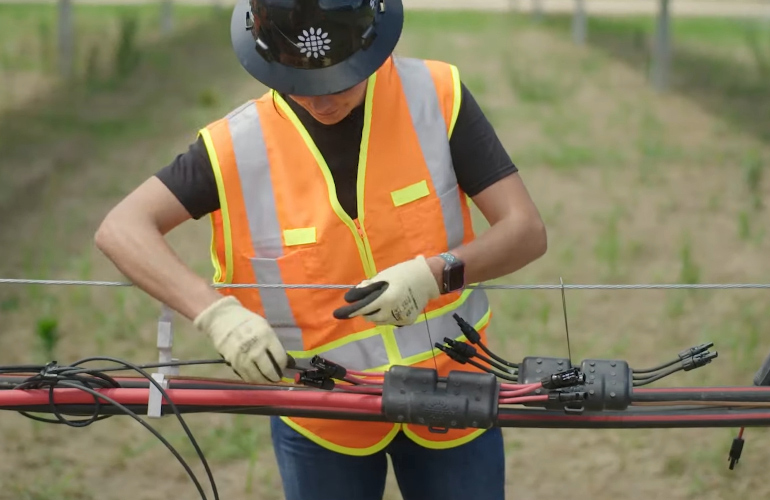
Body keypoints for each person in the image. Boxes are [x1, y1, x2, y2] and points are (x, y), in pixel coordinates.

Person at [94, 0, 547, 499]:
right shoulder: (234, 148)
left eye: (339, 82)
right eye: (300, 83)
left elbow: (524, 230)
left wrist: (434, 275)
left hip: (453, 397)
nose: (323, 102)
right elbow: (122, 228)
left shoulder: (435, 96)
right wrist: (217, 316)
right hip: (320, 417)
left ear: (372, 47)